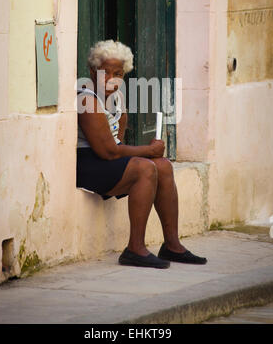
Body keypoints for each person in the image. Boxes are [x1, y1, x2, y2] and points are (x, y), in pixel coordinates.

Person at [76, 40, 207, 268]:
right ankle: (135, 248)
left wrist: (147, 154)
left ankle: (172, 246)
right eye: (105, 72)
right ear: (92, 71)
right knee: (145, 167)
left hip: (106, 161)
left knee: (163, 165)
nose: (111, 79)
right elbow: (107, 151)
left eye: (118, 73)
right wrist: (147, 151)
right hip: (88, 163)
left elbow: (119, 141)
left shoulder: (116, 98)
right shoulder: (86, 99)